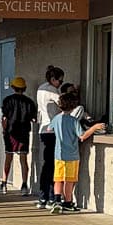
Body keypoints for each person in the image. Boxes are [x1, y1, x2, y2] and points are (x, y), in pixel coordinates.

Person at [48, 87, 106, 214]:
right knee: (69, 180)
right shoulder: (74, 121)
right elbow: (82, 136)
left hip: (58, 154)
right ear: (74, 107)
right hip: (72, 155)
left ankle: (57, 200)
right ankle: (68, 202)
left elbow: (49, 129)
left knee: (58, 178)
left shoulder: (56, 118)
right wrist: (94, 127)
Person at [0, 77, 37, 196]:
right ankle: (24, 185)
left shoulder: (7, 100)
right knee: (23, 159)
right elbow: (34, 119)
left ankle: (4, 184)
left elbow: (4, 118)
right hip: (24, 132)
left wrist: (4, 130)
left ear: (13, 87)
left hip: (10, 133)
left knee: (8, 158)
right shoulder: (29, 102)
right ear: (24, 88)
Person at [35, 65, 66, 210]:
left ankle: (43, 197)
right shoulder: (52, 90)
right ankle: (52, 197)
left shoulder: (41, 88)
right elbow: (63, 104)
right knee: (53, 165)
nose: (60, 84)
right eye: (60, 81)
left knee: (46, 164)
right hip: (52, 130)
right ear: (53, 79)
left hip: (43, 129)